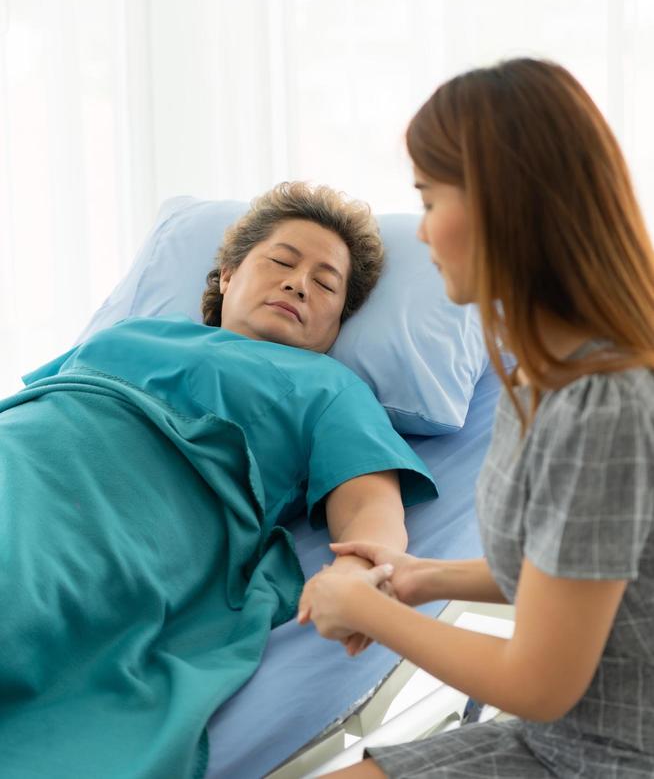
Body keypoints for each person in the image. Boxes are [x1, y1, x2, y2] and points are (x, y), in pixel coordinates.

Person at [0, 181, 437, 779]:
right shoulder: (128, 334)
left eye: (325, 282)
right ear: (227, 276)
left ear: (338, 321)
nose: (298, 282)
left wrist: (361, 573)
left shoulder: (329, 387)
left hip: (129, 508)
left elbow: (371, 511)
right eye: (281, 262)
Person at [299, 59, 654, 778]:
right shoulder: (540, 374)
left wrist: (369, 611)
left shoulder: (609, 404)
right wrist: (421, 576)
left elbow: (539, 681)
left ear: (506, 204)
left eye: (430, 200)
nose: (422, 234)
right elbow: (564, 570)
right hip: (551, 739)